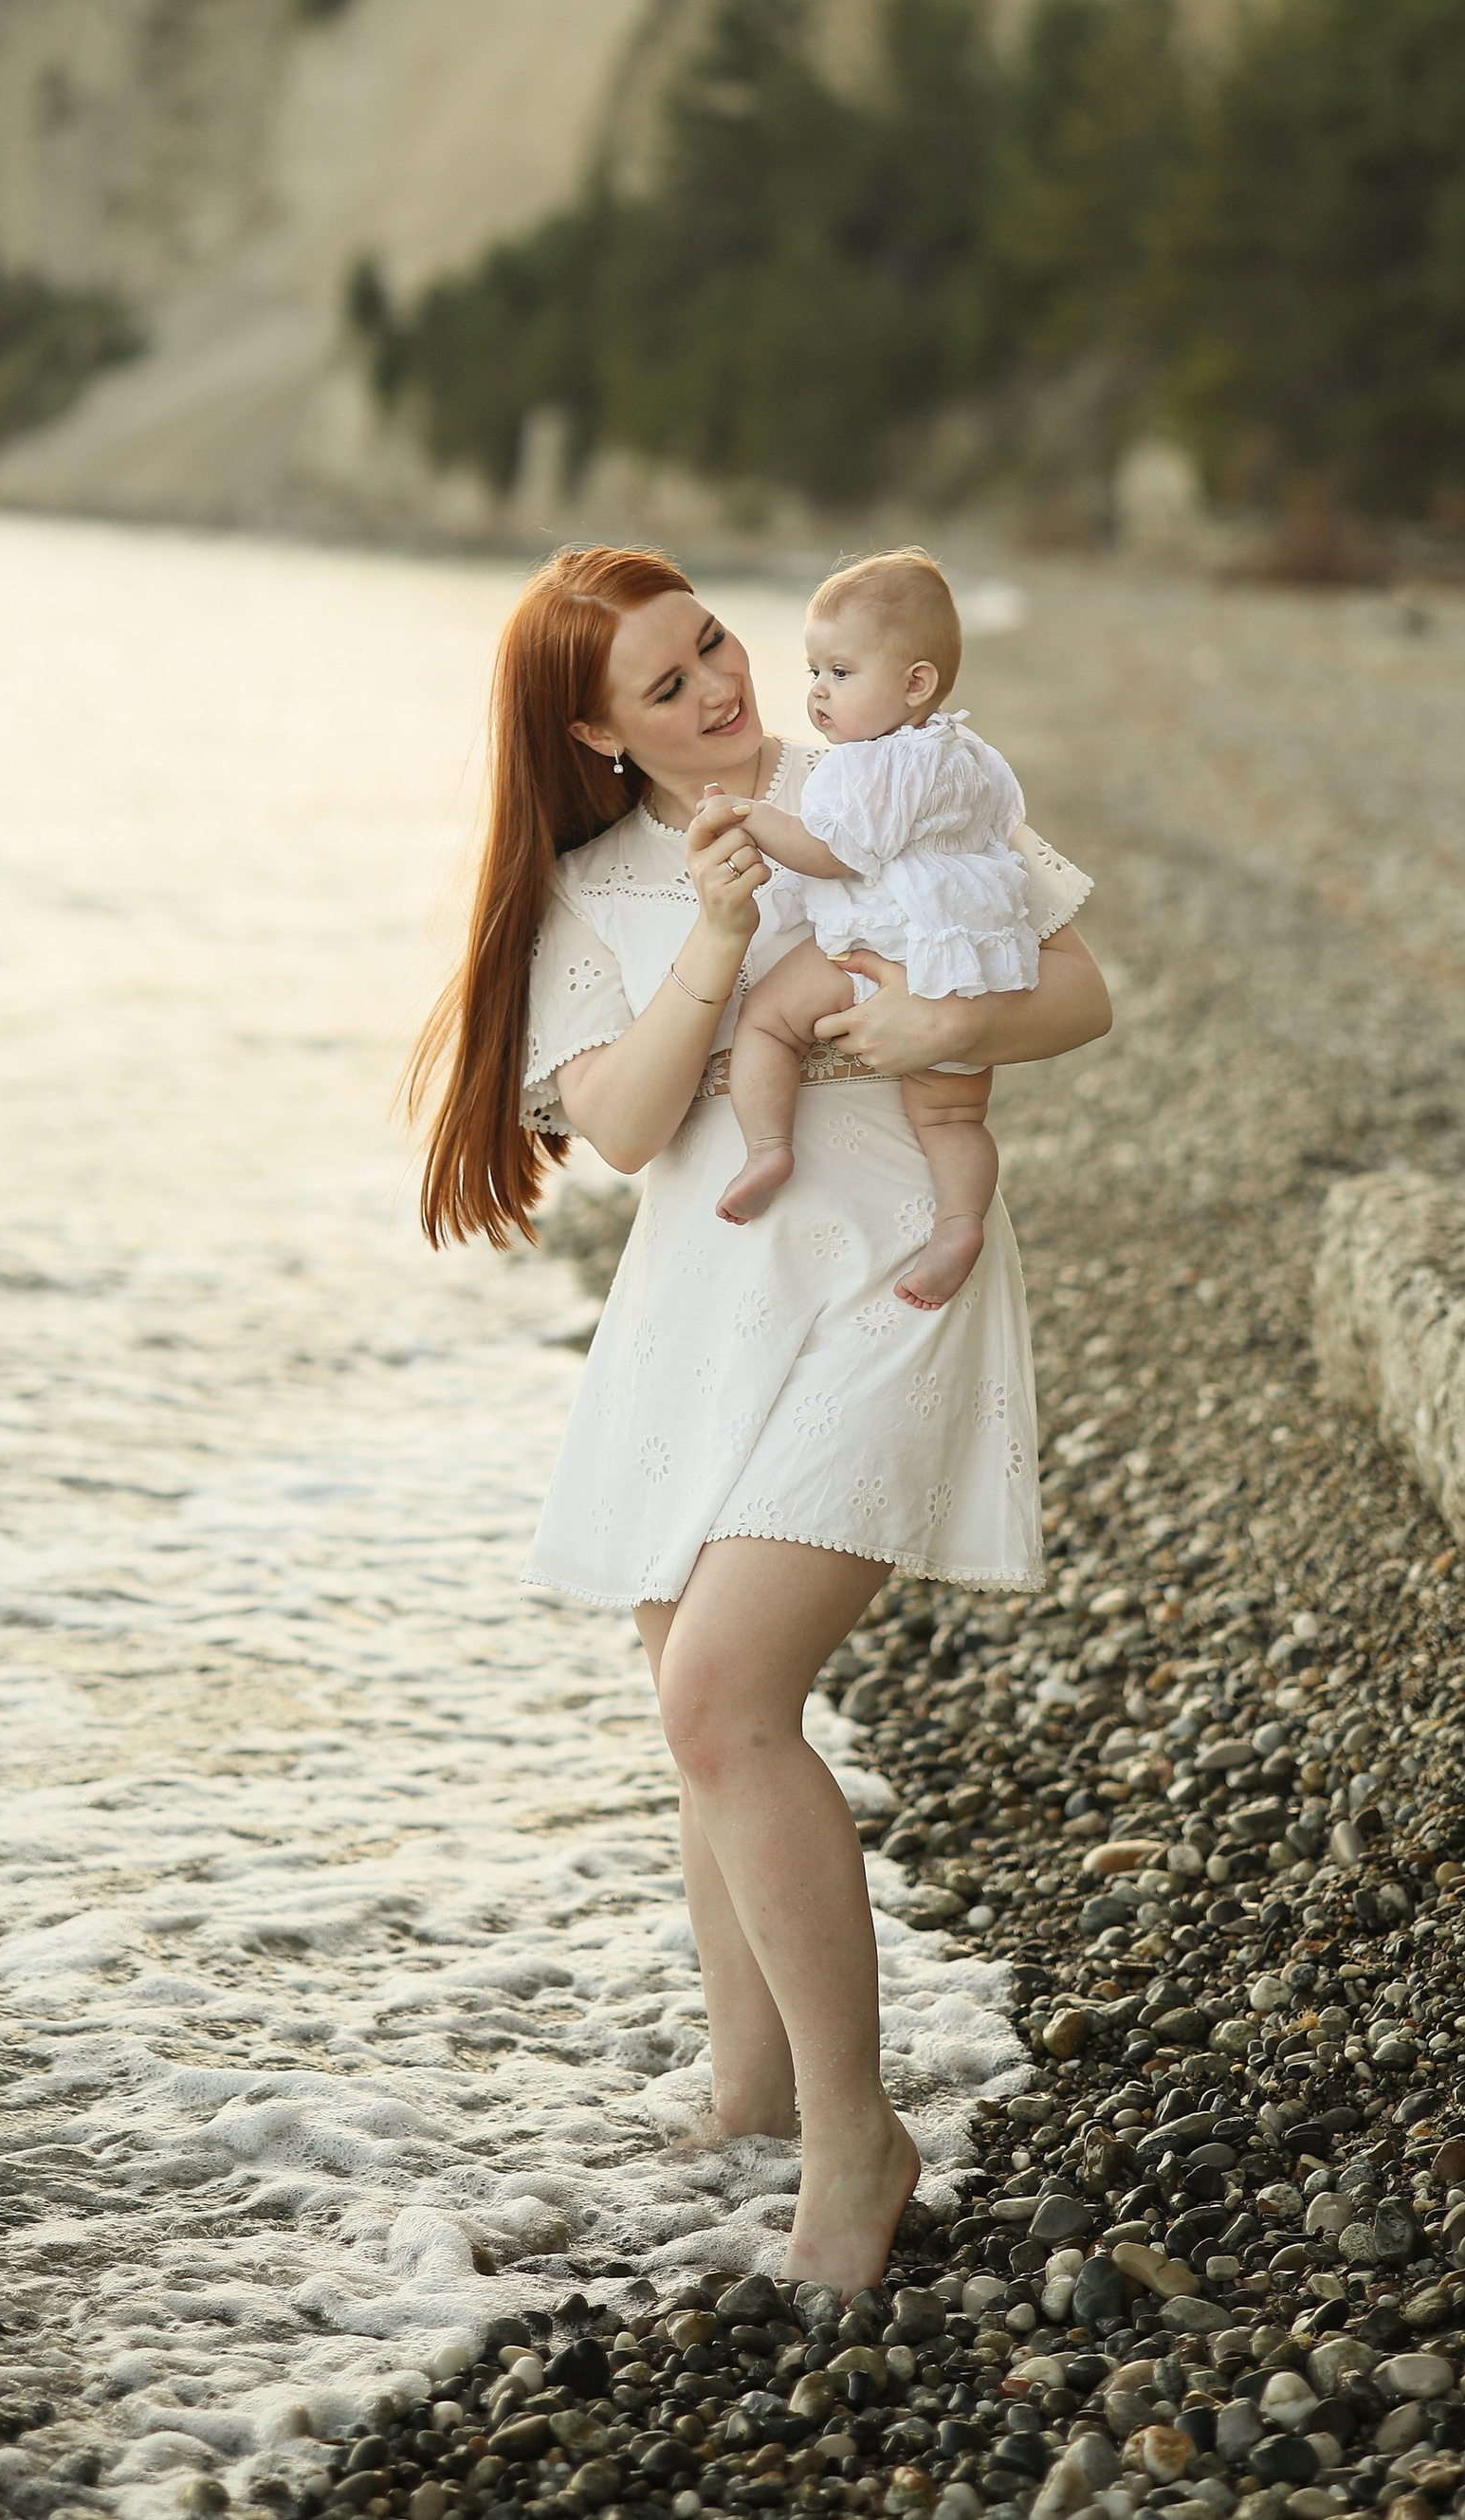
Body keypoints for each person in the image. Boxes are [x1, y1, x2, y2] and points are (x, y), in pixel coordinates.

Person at [412, 547, 1111, 2290]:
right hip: (703, 1312)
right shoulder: (593, 891)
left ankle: (856, 2141)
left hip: (891, 1273)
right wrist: (722, 937)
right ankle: (750, 2101)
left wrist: (911, 1021)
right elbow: (634, 1130)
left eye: (714, 643)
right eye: (668, 684)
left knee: (723, 1695)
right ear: (597, 728)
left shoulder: (877, 775)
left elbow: (1087, 990)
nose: (722, 688)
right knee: (695, 1706)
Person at [712, 548, 1041, 1312]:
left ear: (915, 682)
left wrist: (756, 819)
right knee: (953, 1113)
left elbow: (832, 855)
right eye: (813, 672)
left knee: (765, 1022)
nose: (818, 693)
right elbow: (1001, 825)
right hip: (965, 960)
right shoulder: (970, 754)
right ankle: (959, 1226)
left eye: (840, 673)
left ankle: (767, 1149)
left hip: (881, 939)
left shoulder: (861, 768)